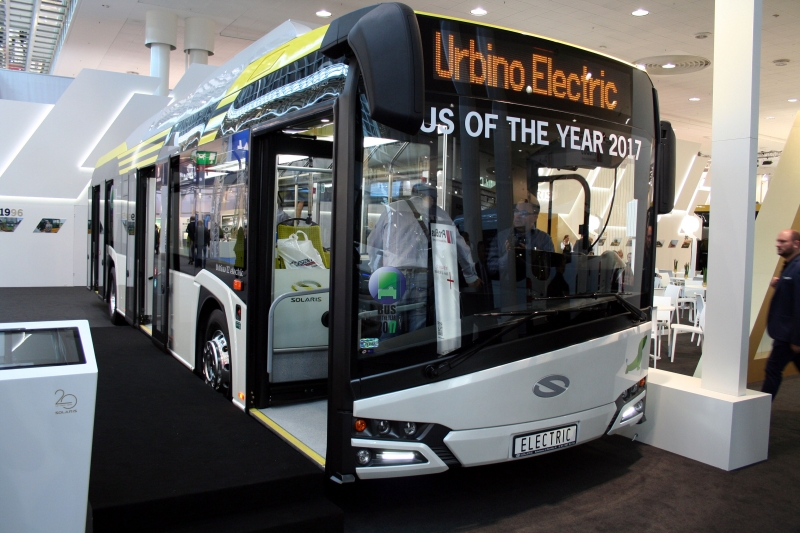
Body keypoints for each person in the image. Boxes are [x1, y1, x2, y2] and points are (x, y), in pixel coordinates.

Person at [367, 182, 481, 334]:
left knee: (389, 327)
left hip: (389, 276)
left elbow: (373, 244)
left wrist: (376, 271)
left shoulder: (392, 209)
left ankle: (387, 347)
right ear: (431, 197)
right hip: (421, 275)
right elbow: (460, 245)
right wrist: (470, 276)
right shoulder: (438, 214)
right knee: (417, 331)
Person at [761, 229, 800, 399]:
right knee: (773, 370)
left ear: (796, 244)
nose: (778, 244)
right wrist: (780, 285)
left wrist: (797, 339)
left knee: (773, 370)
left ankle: (761, 410)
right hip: (787, 335)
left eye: (783, 241)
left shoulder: (797, 267)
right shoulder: (790, 265)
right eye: (778, 241)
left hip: (790, 335)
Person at [487, 198, 555, 280]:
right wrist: (507, 257)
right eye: (516, 211)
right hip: (507, 286)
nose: (517, 216)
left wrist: (531, 255)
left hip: (533, 285)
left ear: (535, 217)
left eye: (523, 213)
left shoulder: (544, 239)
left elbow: (550, 270)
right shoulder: (502, 237)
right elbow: (490, 268)